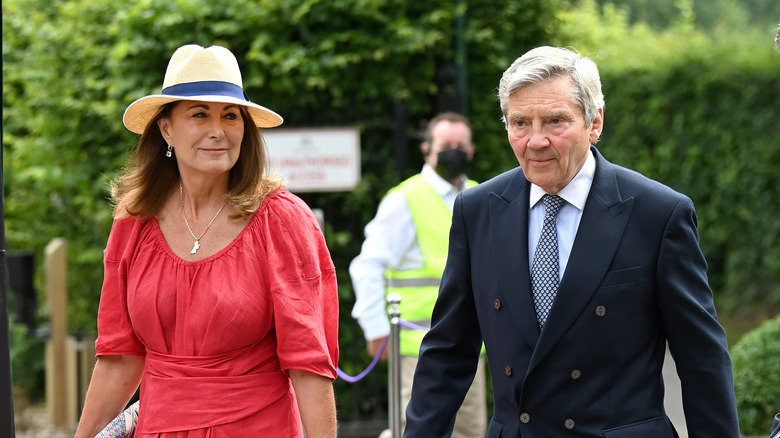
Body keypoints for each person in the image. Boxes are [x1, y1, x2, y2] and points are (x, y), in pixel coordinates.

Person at [403, 46, 740, 437]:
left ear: (594, 122)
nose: (535, 141)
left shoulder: (658, 214)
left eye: (555, 121)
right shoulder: (478, 211)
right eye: (520, 123)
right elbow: (447, 353)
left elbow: (702, 360)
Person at [74, 44, 339, 438]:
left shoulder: (281, 219)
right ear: (166, 129)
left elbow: (308, 365)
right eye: (199, 114)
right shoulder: (133, 218)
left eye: (230, 115)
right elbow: (119, 357)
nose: (218, 129)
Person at [350, 112, 487, 438]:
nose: (453, 151)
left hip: (472, 346)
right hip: (418, 348)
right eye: (446, 145)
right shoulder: (405, 200)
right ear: (427, 150)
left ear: (471, 151)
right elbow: (368, 264)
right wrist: (376, 328)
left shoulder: (482, 196)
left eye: (460, 145)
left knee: (469, 432)